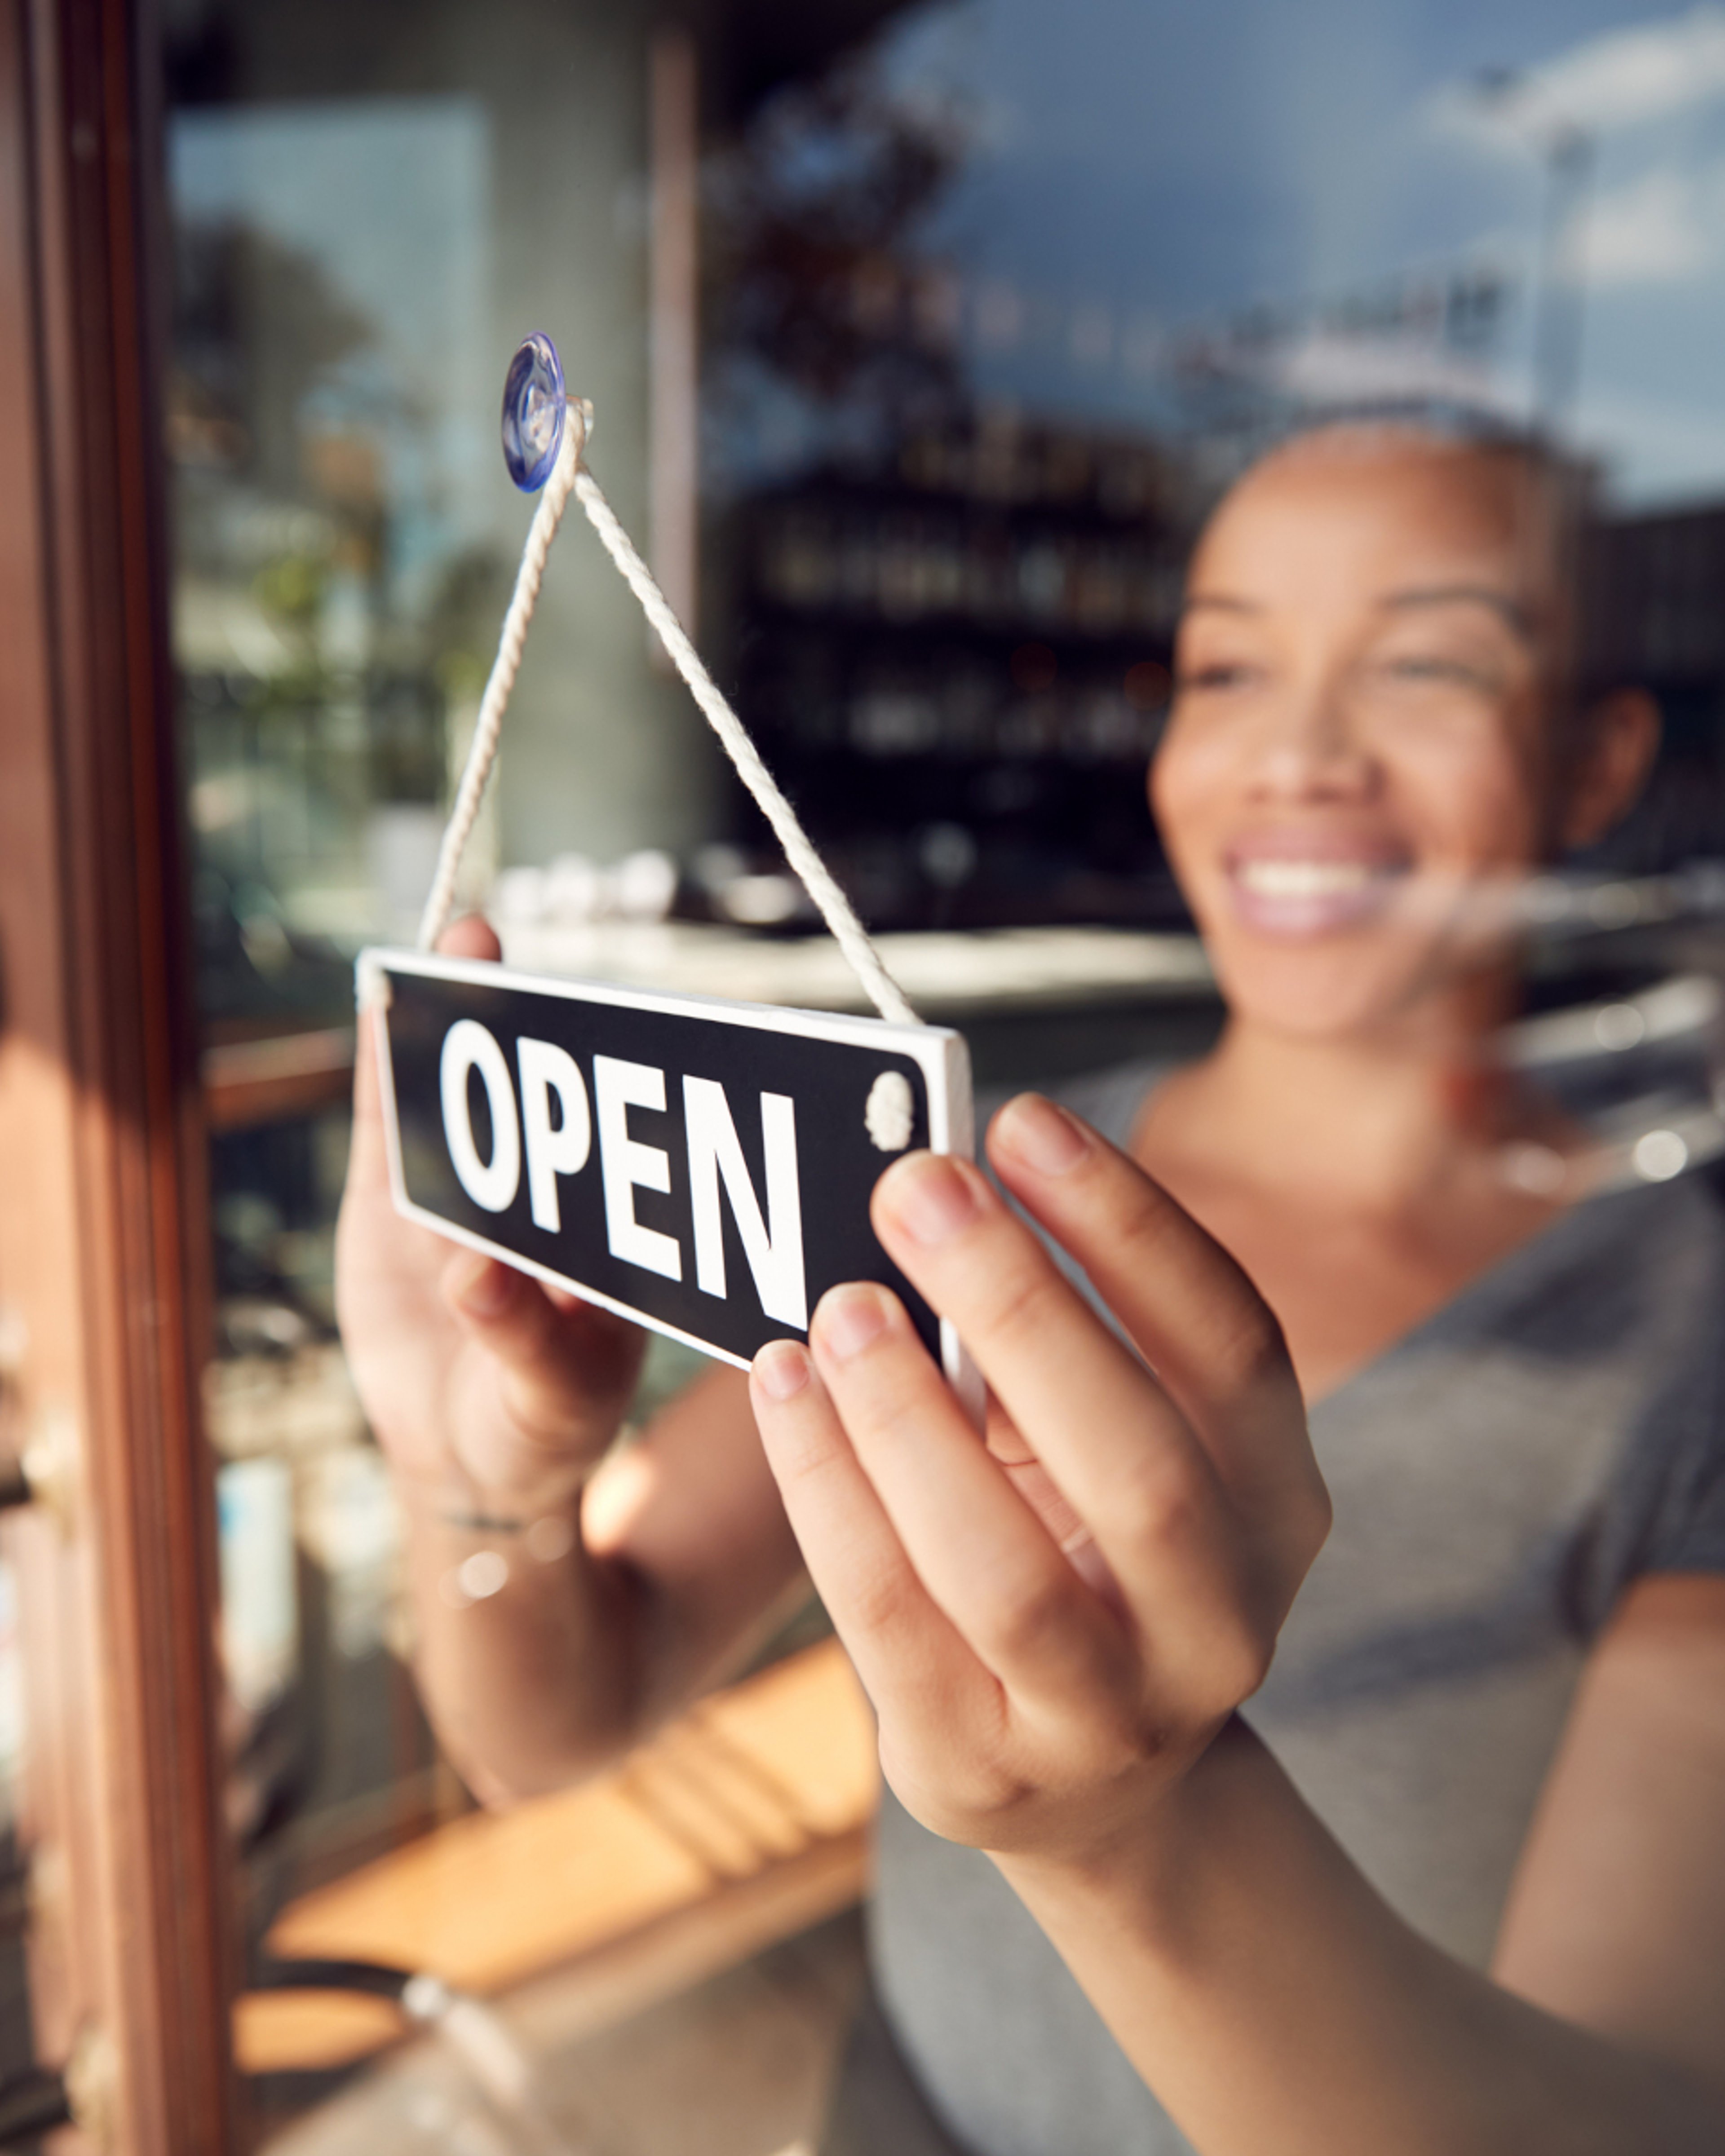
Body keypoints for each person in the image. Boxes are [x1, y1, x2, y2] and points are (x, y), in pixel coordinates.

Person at [336, 417, 1725, 2154]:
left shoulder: (1685, 1347)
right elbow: (563, 1717)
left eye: (1428, 665)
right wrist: (486, 1488)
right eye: (1228, 669)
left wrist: (1133, 1832)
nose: (1297, 754)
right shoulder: (950, 1197)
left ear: (1599, 764)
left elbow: (1648, 2121)